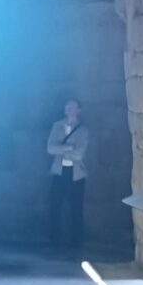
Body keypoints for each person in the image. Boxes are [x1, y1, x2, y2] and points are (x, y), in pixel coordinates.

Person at [46, 99, 89, 250]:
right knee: (54, 206)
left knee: (76, 209)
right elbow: (50, 148)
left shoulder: (83, 130)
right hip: (59, 171)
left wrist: (61, 149)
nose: (69, 109)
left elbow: (79, 154)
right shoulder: (57, 126)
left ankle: (76, 243)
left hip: (76, 174)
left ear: (78, 110)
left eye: (73, 107)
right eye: (67, 107)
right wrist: (68, 147)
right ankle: (54, 240)